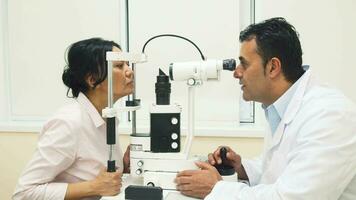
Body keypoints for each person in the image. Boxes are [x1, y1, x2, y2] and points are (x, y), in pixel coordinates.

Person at [175, 17, 356, 200]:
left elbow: (294, 197)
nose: (236, 73)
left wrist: (216, 189)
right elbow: (280, 166)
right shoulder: (282, 105)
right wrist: (241, 168)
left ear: (273, 67)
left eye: (244, 64)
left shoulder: (330, 116)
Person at [13, 38, 134, 200]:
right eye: (119, 66)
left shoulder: (107, 117)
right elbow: (24, 193)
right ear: (92, 79)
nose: (130, 72)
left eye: (128, 64)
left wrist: (124, 167)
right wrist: (93, 187)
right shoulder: (68, 122)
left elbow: (93, 174)